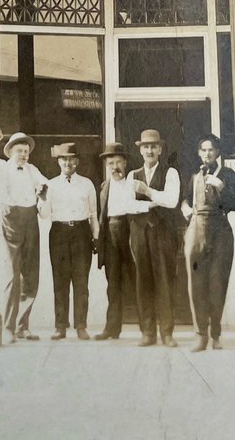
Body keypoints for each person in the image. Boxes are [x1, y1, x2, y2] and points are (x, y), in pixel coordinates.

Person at [182, 133, 235, 351]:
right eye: (203, 150)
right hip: (196, 231)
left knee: (218, 284)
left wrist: (222, 187)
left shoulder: (228, 174)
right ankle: (201, 335)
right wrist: (187, 212)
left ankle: (216, 334)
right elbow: (186, 200)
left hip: (220, 232)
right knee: (196, 285)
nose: (207, 154)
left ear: (217, 152)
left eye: (211, 150)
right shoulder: (193, 175)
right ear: (199, 153)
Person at [127, 129, 181, 347]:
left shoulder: (171, 173)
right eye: (145, 147)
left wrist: (147, 191)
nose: (149, 150)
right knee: (143, 280)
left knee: (165, 280)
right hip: (139, 233)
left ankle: (166, 332)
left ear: (160, 149)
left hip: (164, 233)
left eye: (153, 146)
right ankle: (147, 332)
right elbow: (127, 204)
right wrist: (151, 202)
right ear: (140, 150)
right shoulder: (132, 175)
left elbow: (171, 201)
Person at [43, 142, 99, 340]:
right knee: (60, 281)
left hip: (81, 233)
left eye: (72, 159)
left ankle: (81, 326)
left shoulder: (87, 184)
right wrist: (41, 198)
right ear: (59, 161)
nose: (68, 163)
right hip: (58, 233)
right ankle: (60, 326)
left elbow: (93, 213)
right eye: (64, 159)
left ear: (77, 161)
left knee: (81, 282)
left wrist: (96, 237)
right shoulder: (50, 185)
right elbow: (44, 215)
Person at [0, 132, 48, 343]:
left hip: (30, 220)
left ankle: (22, 326)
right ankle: (7, 327)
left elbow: (45, 184)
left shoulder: (32, 169)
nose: (23, 155)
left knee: (30, 275)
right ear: (10, 152)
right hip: (11, 220)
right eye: (19, 151)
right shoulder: (1, 167)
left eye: (26, 151)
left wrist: (42, 190)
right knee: (11, 275)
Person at [94, 141, 139, 341]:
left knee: (138, 280)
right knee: (113, 284)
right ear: (106, 166)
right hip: (111, 237)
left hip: (131, 234)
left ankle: (148, 329)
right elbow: (101, 218)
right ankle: (112, 329)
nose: (115, 167)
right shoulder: (104, 187)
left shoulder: (134, 184)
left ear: (126, 163)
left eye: (118, 162)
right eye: (111, 163)